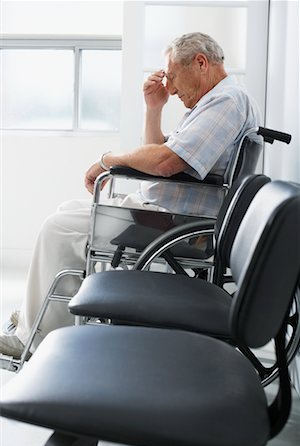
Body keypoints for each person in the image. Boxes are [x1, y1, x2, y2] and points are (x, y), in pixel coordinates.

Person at [0, 32, 261, 358]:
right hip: (163, 213)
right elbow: (162, 153)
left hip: (175, 224)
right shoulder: (216, 102)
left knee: (59, 228)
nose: (173, 88)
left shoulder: (226, 101)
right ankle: (39, 317)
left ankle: (35, 340)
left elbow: (166, 162)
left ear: (201, 63)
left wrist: (108, 159)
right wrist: (154, 109)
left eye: (174, 77)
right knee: (66, 211)